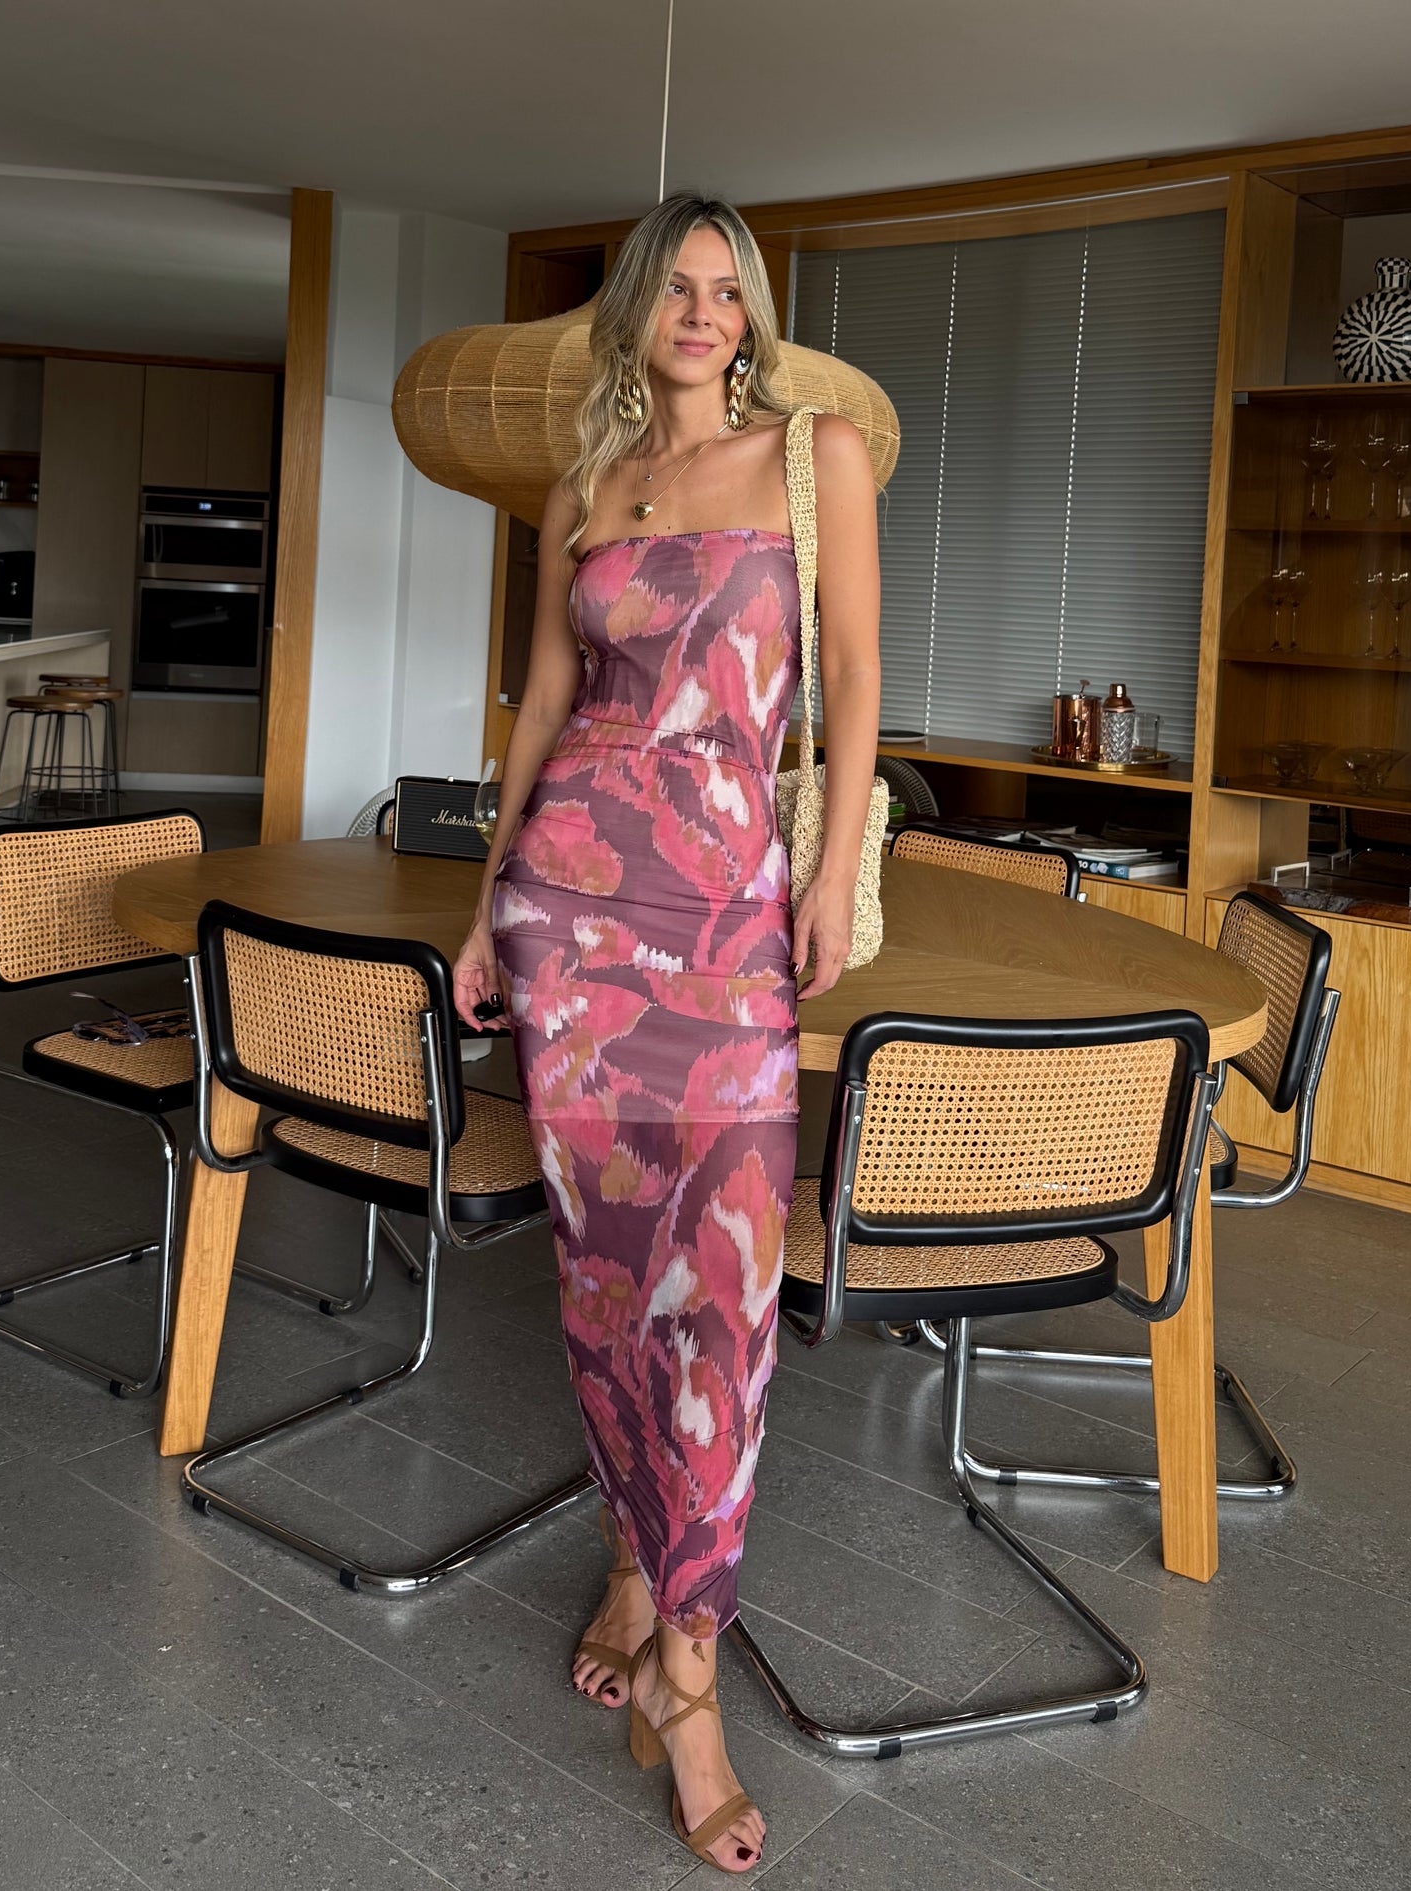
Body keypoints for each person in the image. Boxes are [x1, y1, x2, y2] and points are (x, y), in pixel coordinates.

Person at [453, 192, 879, 1873]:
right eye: (677, 288)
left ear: (749, 317)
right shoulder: (583, 491)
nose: (704, 312)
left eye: (729, 290)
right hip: (570, 913)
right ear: (632, 312)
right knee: (606, 1273)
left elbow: (854, 682)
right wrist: (483, 901)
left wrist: (827, 878)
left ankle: (687, 1672)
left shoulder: (812, 460)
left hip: (723, 917)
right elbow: (545, 703)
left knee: (723, 1282)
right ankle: (640, 1574)